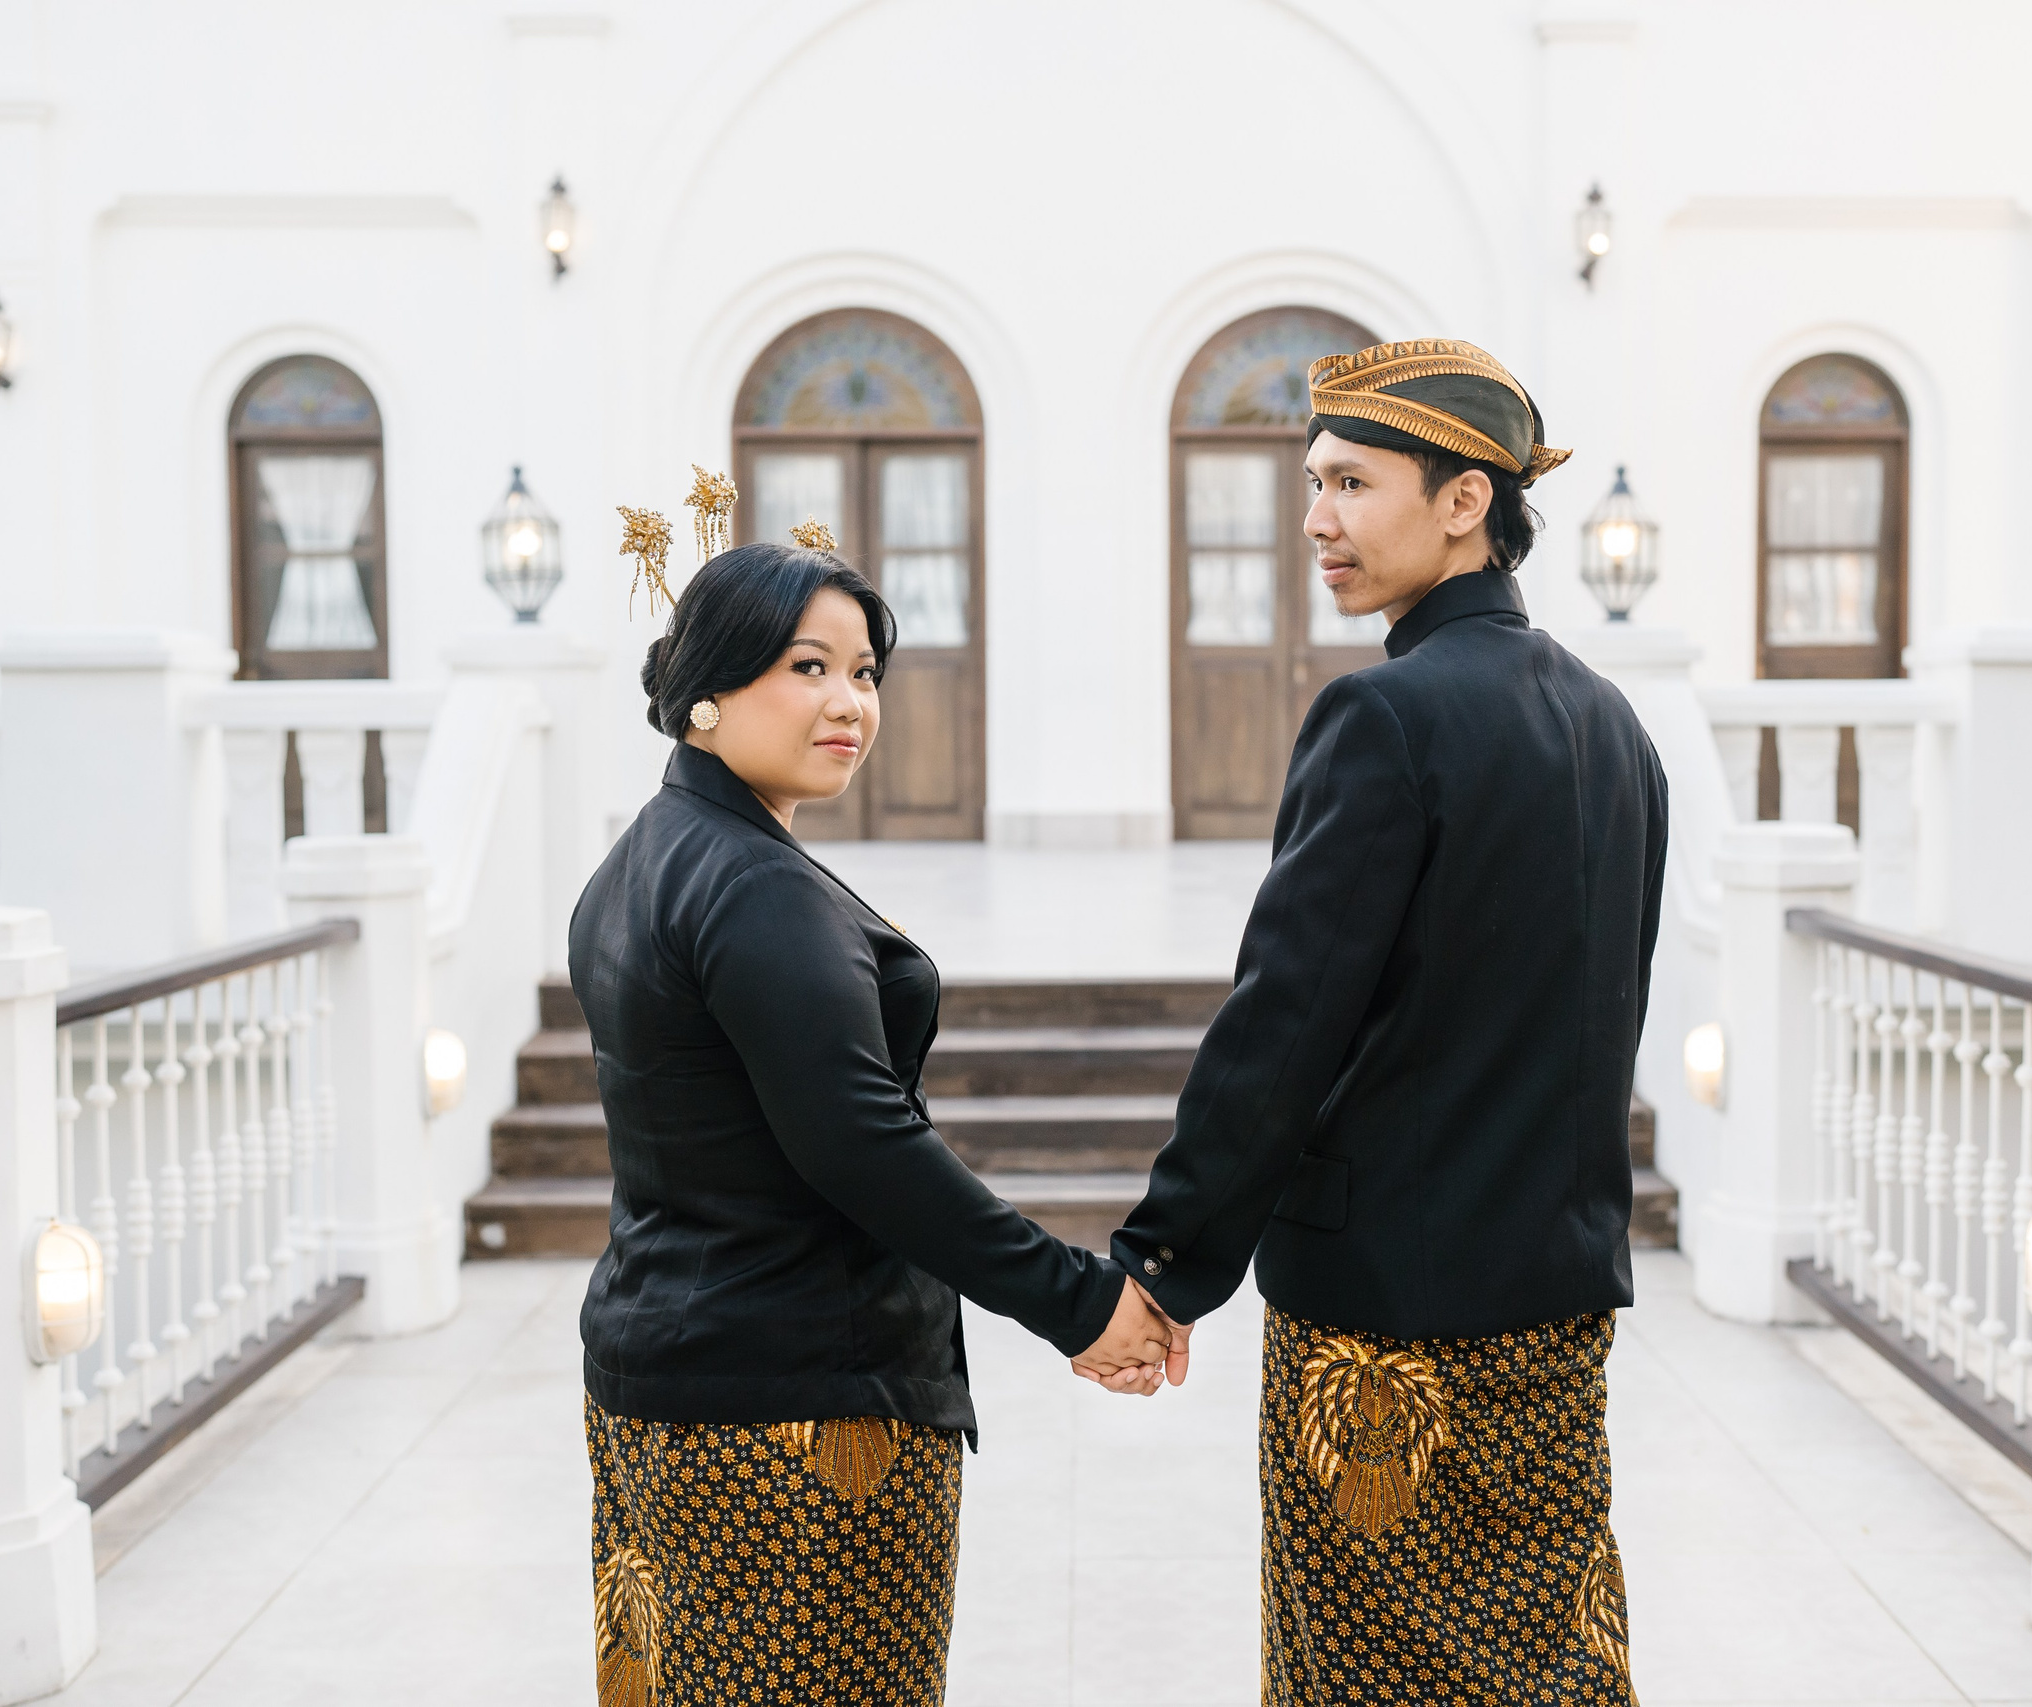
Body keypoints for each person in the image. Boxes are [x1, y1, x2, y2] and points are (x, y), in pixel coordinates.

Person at [1108, 339, 1668, 1704]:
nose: (1317, 521)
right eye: (1313, 484)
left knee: (1362, 1672)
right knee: (1552, 1658)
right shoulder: (1617, 729)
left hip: (1383, 1329)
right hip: (1558, 1296)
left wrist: (1166, 1259)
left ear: (1465, 498)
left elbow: (1283, 1027)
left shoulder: (1385, 715)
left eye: (1352, 483)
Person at [572, 530, 1177, 1707]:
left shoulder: (646, 859)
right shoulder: (751, 888)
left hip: (663, 1374)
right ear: (706, 688)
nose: (849, 702)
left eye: (864, 672)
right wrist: (1077, 1299)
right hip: (794, 1410)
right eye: (808, 667)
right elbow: (861, 1143)